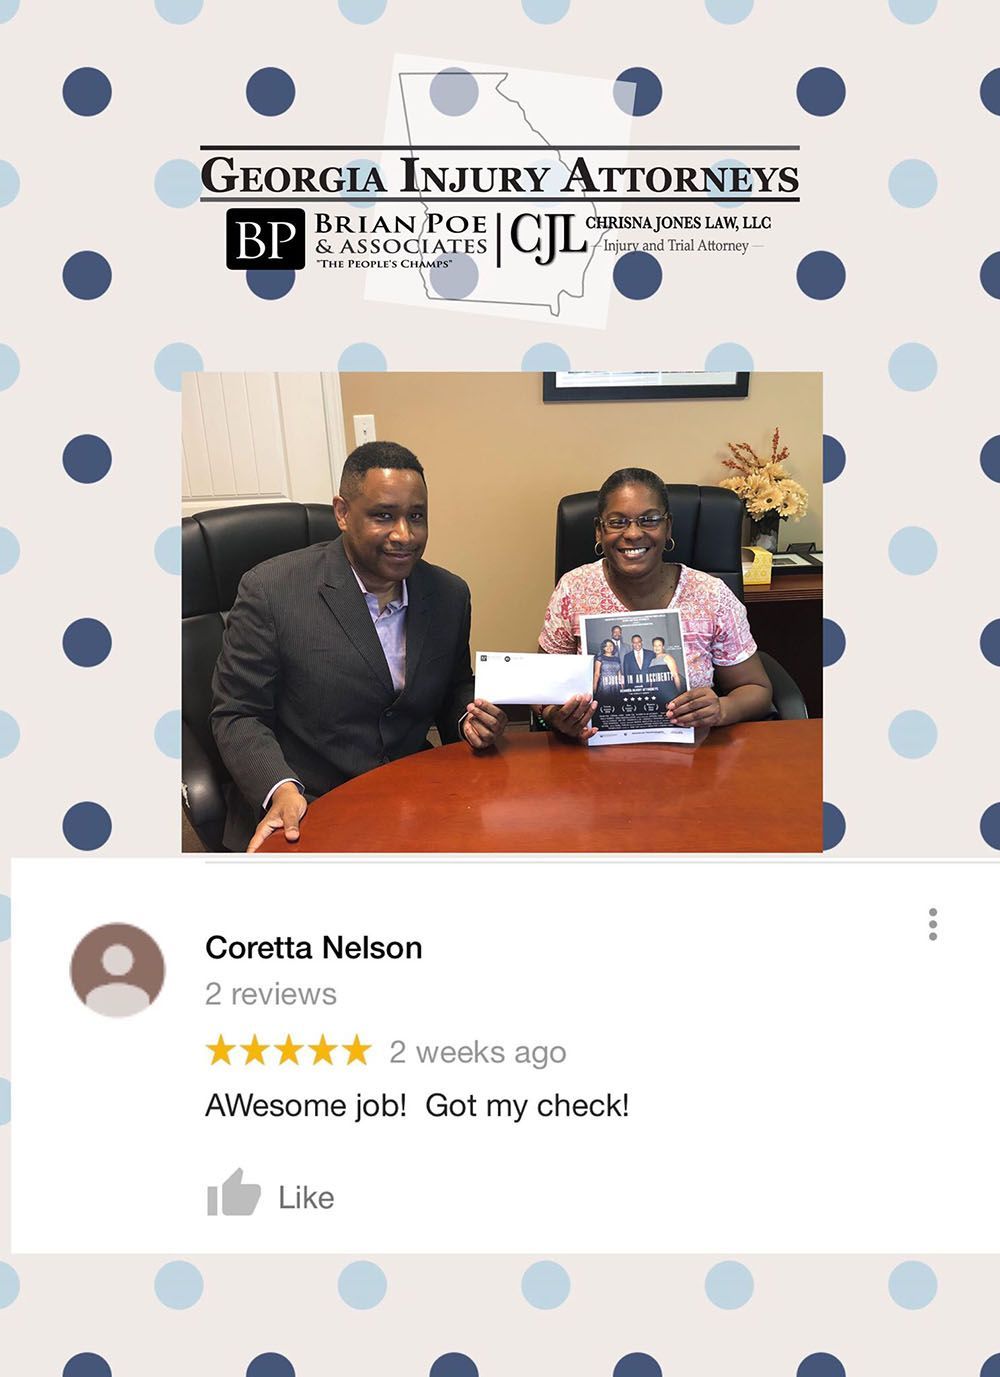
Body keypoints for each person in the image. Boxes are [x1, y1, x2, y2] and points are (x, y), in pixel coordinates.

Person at [211, 441, 508, 851]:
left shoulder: (449, 594)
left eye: (416, 517)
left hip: (411, 795)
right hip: (309, 802)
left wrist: (468, 718)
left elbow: (454, 685)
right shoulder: (271, 591)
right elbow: (238, 713)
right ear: (342, 513)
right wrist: (280, 788)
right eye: (383, 516)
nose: (404, 535)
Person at [537, 466, 771, 738]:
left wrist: (721, 708)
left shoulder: (711, 594)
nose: (634, 533)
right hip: (593, 757)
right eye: (617, 522)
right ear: (599, 531)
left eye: (649, 520)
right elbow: (543, 685)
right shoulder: (573, 588)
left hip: (691, 756)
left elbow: (757, 689)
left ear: (668, 526)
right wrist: (556, 717)